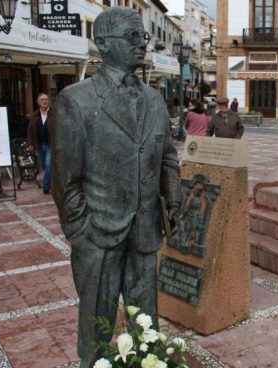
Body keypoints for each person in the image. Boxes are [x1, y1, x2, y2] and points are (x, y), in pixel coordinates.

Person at [49, 7, 181, 368]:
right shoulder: (75, 100)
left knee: (146, 325)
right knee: (96, 328)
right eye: (133, 37)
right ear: (103, 44)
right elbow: (64, 180)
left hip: (144, 231)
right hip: (98, 234)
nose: (142, 44)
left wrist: (173, 199)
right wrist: (82, 229)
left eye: (143, 37)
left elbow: (166, 156)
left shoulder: (154, 99)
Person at [26, 92, 51, 194]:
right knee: (45, 166)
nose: (45, 101)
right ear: (38, 102)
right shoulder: (35, 115)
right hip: (40, 144)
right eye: (42, 100)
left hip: (51, 144)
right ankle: (52, 182)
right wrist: (30, 143)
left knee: (48, 164)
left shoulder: (53, 114)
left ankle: (46, 186)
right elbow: (30, 130)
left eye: (46, 99)